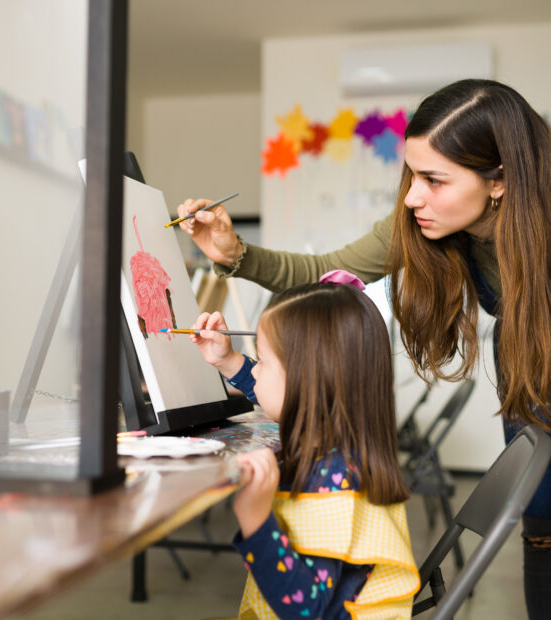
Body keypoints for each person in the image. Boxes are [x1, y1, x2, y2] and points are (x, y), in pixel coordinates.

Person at [177, 78, 551, 619]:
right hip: (528, 365)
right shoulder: (425, 222)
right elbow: (324, 273)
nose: (413, 196)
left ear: (501, 181)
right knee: (542, 532)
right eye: (411, 174)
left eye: (434, 179)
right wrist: (232, 251)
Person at [191, 277, 419, 619]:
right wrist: (229, 361)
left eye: (262, 362)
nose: (255, 374)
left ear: (307, 382)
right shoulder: (340, 439)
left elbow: (305, 610)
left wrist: (255, 518)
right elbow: (276, 395)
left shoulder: (333, 479)